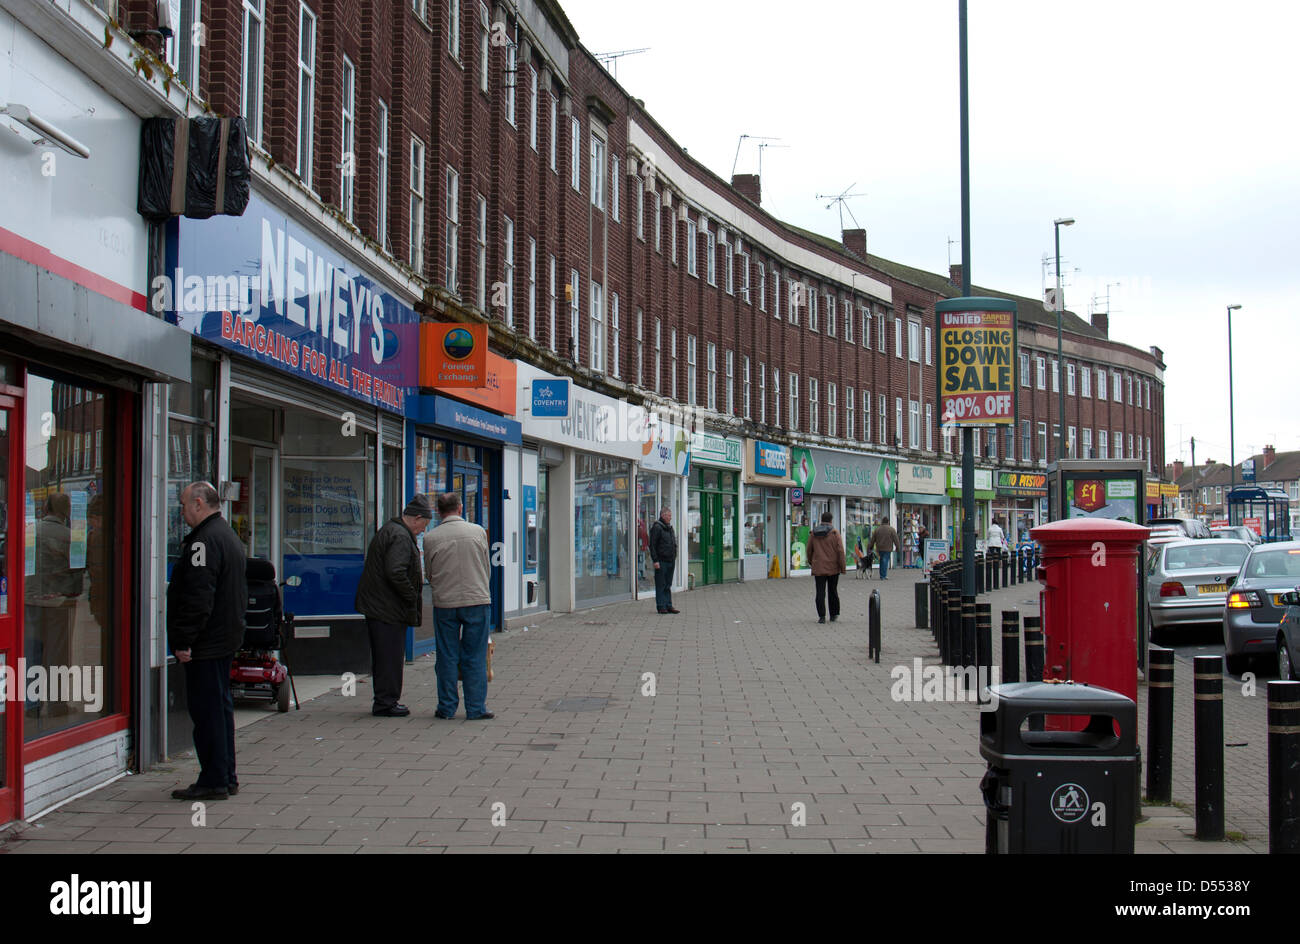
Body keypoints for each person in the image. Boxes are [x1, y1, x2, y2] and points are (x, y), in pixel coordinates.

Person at [167, 481, 246, 800]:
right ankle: (225, 775)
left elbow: (199, 596)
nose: (182, 511)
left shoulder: (203, 542)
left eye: (185, 505)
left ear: (199, 503)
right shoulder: (226, 535)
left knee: (207, 713)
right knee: (220, 710)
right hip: (223, 639)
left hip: (207, 643)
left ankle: (213, 780)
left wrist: (185, 640)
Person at [355, 494, 431, 717]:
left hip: (381, 606)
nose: (422, 531)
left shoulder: (392, 530)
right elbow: (395, 571)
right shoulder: (399, 535)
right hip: (386, 608)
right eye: (423, 525)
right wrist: (411, 595)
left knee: (386, 656)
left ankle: (386, 699)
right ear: (416, 518)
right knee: (389, 656)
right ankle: (386, 702)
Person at [424, 492, 494, 720]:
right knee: (474, 655)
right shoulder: (477, 532)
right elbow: (486, 567)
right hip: (477, 600)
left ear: (438, 511)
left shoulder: (431, 537)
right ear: (461, 508)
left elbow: (429, 573)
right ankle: (476, 708)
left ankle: (446, 708)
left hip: (446, 602)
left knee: (447, 654)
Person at [808, 512, 846, 622]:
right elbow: (840, 551)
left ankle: (822, 616)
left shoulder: (813, 533)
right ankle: (833, 614)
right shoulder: (834, 533)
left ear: (821, 519)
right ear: (831, 520)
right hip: (833, 568)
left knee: (820, 591)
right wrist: (842, 567)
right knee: (832, 590)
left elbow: (809, 550)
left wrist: (812, 562)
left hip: (819, 567)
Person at [649, 506, 679, 614]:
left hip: (670, 560)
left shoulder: (670, 528)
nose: (670, 518)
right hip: (661, 561)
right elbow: (652, 545)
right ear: (663, 515)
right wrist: (655, 560)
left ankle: (668, 605)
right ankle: (661, 606)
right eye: (669, 515)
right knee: (661, 584)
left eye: (671, 516)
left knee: (668, 584)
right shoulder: (657, 527)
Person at [869, 515, 899, 580]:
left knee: (882, 560)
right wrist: (897, 547)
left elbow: (873, 539)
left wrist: (870, 546)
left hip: (879, 548)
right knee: (885, 560)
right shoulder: (891, 529)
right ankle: (883, 575)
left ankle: (882, 575)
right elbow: (896, 539)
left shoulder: (877, 529)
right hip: (888, 548)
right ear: (888, 522)